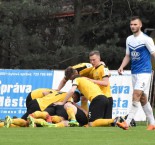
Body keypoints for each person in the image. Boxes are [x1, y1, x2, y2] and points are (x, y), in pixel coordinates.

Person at [117, 16, 155, 130]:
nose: (133, 26)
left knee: (136, 95)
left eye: (135, 24)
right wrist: (122, 66)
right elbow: (128, 55)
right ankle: (153, 123)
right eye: (131, 25)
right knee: (143, 98)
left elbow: (153, 53)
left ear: (140, 25)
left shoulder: (146, 39)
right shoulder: (129, 39)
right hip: (134, 72)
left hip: (145, 72)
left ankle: (127, 123)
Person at [55, 67, 119, 127]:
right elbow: (84, 99)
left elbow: (71, 91)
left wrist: (63, 102)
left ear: (71, 77)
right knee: (104, 123)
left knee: (91, 123)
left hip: (97, 99)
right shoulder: (86, 79)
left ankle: (115, 120)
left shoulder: (76, 79)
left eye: (70, 79)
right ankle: (120, 120)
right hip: (105, 98)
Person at [88, 50, 113, 119]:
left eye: (94, 60)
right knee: (98, 122)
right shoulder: (93, 69)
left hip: (106, 97)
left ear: (99, 59)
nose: (92, 62)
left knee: (105, 123)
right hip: (99, 97)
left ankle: (124, 119)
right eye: (90, 60)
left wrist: (91, 81)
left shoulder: (103, 68)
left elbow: (105, 83)